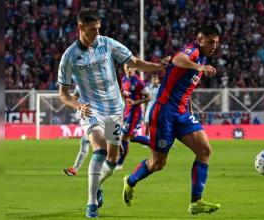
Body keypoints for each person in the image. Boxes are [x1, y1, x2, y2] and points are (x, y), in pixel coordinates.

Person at [58, 9, 169, 218]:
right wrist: (78, 106)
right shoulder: (69, 57)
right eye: (92, 30)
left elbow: (133, 62)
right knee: (99, 150)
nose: (97, 33)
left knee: (113, 157)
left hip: (116, 109)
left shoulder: (107, 43)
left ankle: (96, 184)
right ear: (80, 28)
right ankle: (91, 205)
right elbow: (63, 93)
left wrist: (157, 66)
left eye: (99, 29)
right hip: (91, 109)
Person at [122, 25, 221, 215]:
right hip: (164, 113)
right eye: (210, 42)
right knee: (158, 163)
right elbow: (178, 59)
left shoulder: (204, 57)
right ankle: (131, 181)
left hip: (182, 114)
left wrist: (190, 110)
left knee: (205, 150)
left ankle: (196, 202)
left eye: (216, 42)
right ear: (200, 40)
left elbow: (185, 86)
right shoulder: (192, 51)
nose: (214, 46)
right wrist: (199, 66)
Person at [116, 64, 151, 170]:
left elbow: (149, 97)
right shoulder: (124, 79)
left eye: (131, 67)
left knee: (124, 137)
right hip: (126, 111)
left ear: (135, 68)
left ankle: (119, 164)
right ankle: (153, 143)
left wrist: (135, 102)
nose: (128, 69)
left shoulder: (138, 82)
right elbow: (123, 93)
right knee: (131, 137)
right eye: (127, 67)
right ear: (124, 68)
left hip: (134, 113)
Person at [63, 91, 91, 177]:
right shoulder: (80, 85)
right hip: (87, 118)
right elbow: (75, 97)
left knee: (89, 143)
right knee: (85, 142)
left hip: (93, 118)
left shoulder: (92, 86)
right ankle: (74, 169)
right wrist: (73, 99)